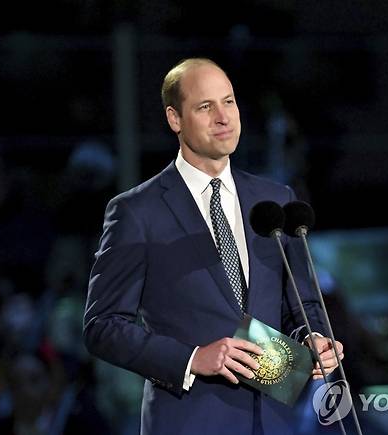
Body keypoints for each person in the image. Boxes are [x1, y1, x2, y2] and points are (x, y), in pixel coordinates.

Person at [83, 58, 344, 435]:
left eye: (230, 102)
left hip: (276, 421)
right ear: (175, 119)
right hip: (190, 420)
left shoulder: (274, 200)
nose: (224, 117)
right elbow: (102, 326)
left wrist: (314, 338)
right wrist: (191, 359)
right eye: (206, 107)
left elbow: (302, 303)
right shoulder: (137, 211)